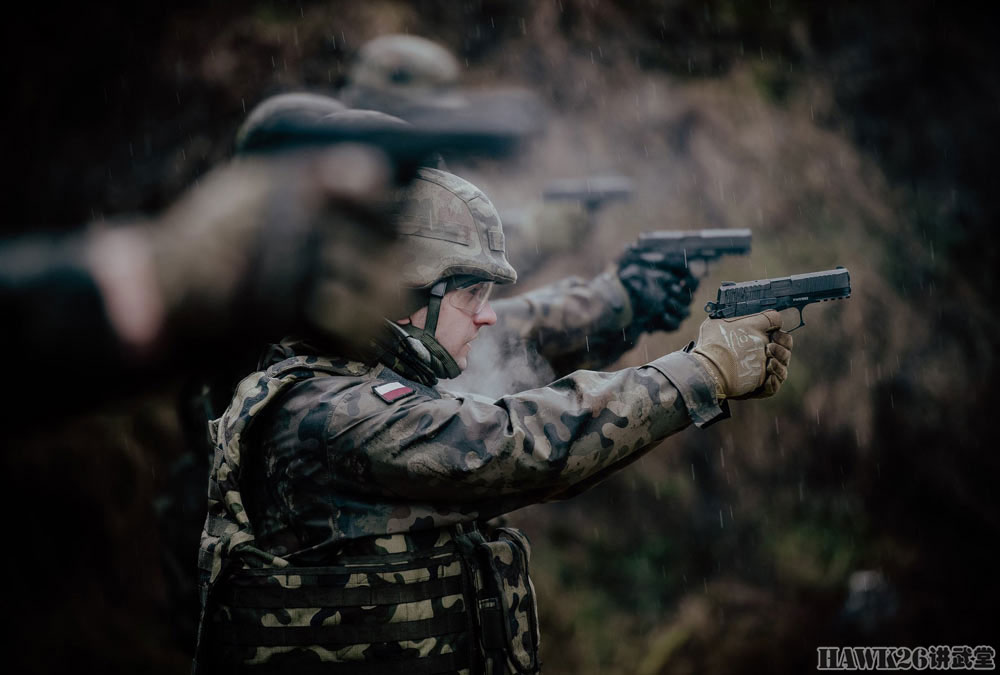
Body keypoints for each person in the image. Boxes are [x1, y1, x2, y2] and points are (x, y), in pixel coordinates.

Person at [194, 167, 793, 673]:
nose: (487, 318)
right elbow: (518, 444)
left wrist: (625, 313)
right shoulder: (335, 413)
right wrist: (698, 373)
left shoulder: (351, 381)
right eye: (471, 297)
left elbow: (519, 358)